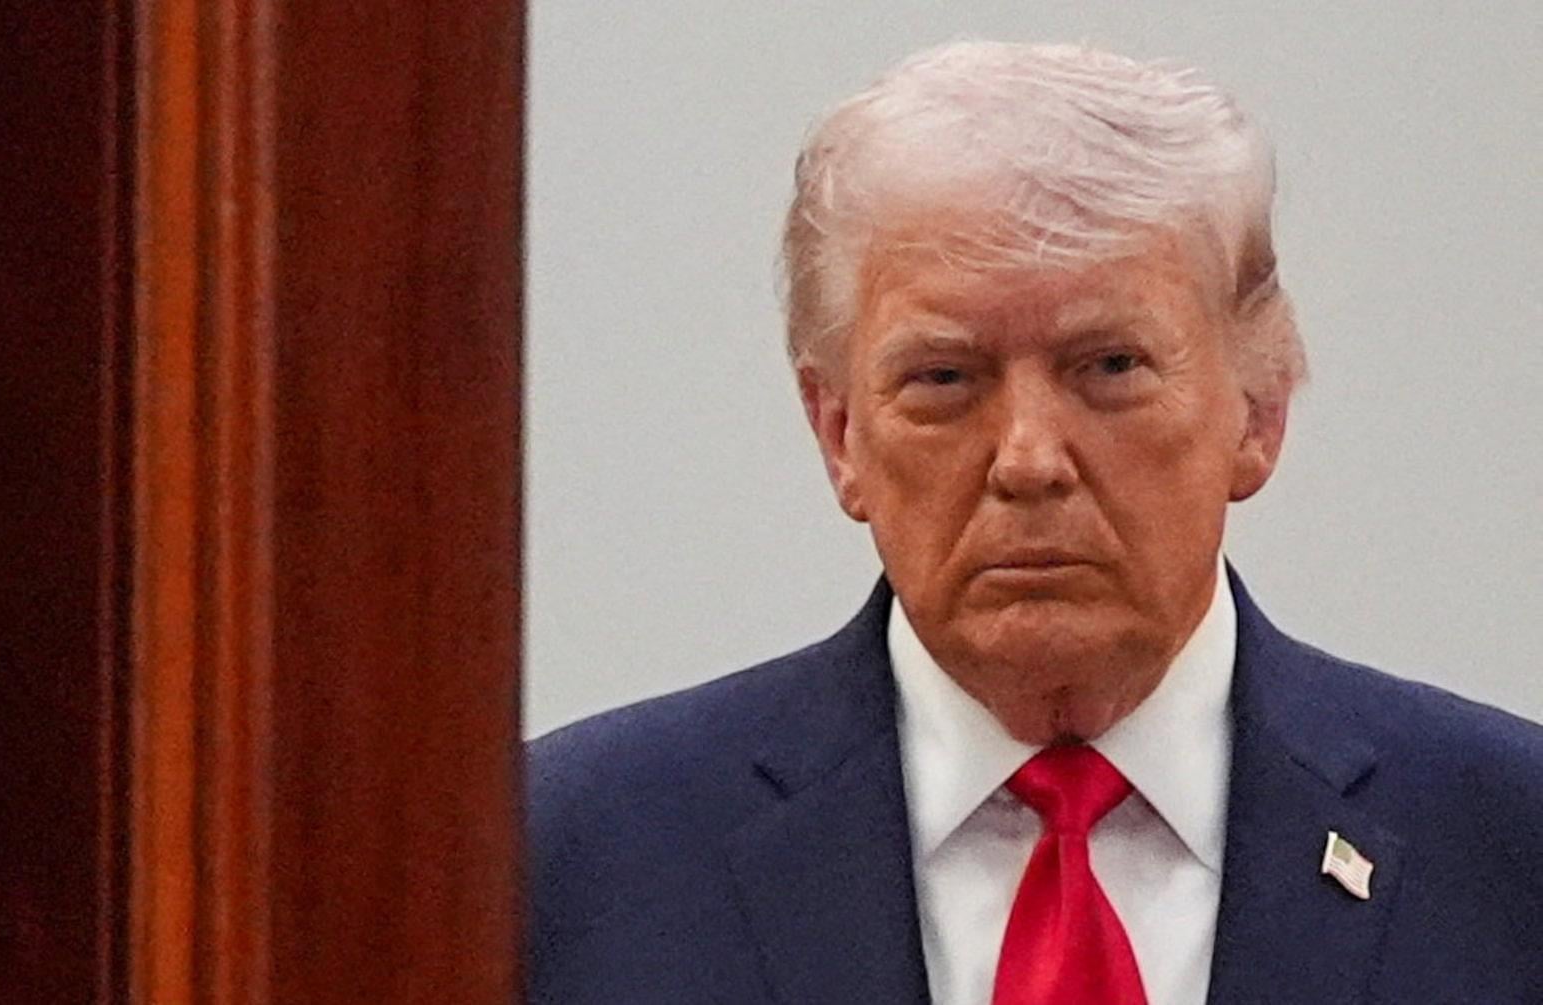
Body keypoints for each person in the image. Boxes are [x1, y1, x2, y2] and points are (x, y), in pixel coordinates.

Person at [526, 40, 1543, 1004]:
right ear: (839, 434)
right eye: (944, 378)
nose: (1027, 460)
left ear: (1259, 410)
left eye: (1110, 367)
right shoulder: (565, 862)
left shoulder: (1509, 848)